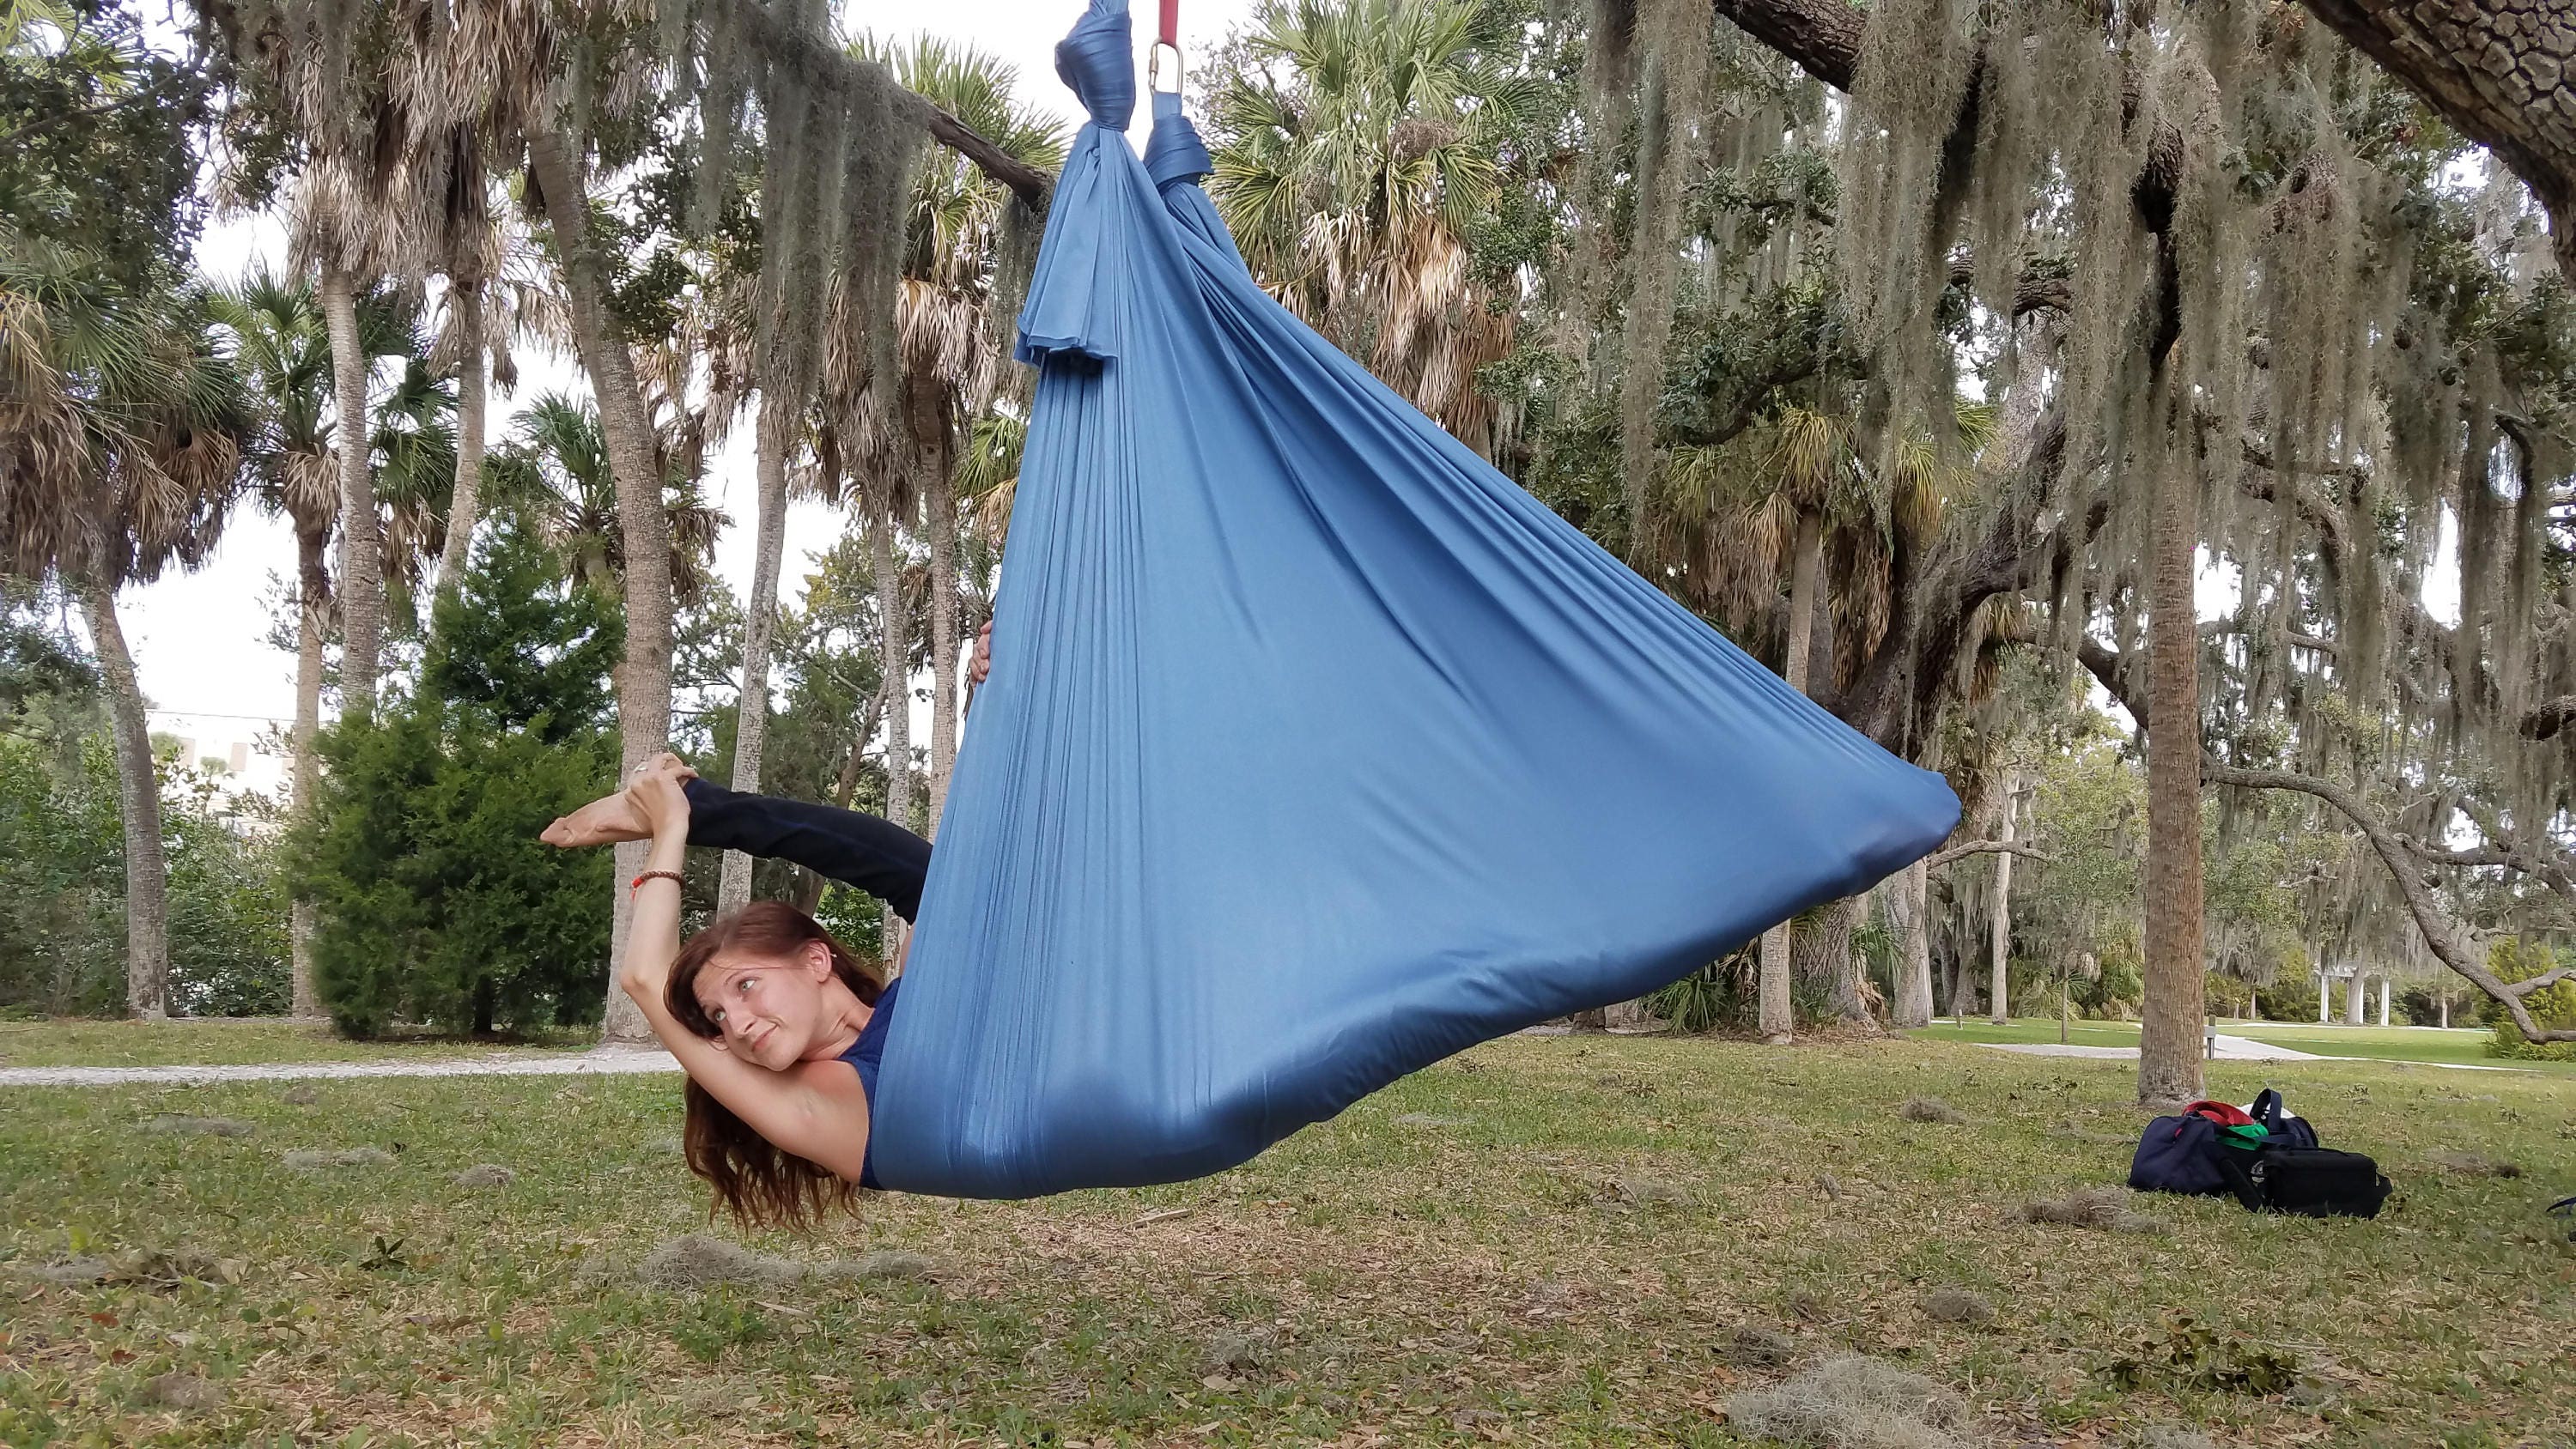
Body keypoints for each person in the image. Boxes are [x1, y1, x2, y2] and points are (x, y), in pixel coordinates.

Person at [540, 619, 993, 1226]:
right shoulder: (810, 1101)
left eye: (743, 988)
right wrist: (672, 830)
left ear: (816, 959)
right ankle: (699, 808)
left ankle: (707, 807)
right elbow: (646, 979)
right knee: (938, 887)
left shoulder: (911, 1011)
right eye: (720, 1017)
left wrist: (985, 699)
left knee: (937, 887)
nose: (737, 1026)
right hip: (1029, 1096)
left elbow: (971, 869)